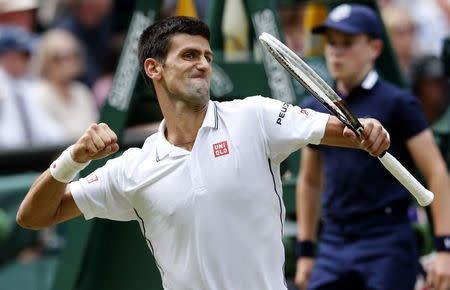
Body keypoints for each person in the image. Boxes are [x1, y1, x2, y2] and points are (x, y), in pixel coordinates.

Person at [16, 16, 390, 290]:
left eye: (208, 57)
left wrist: (368, 130)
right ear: (154, 68)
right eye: (190, 55)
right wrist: (72, 160)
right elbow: (33, 216)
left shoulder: (255, 116)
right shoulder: (133, 168)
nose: (204, 65)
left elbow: (340, 131)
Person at [294, 4, 450, 290]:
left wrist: (444, 249)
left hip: (387, 241)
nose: (336, 51)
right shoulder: (314, 109)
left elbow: (437, 173)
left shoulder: (399, 104)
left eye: (348, 43)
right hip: (334, 240)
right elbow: (310, 180)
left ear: (375, 48)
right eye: (331, 43)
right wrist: (305, 252)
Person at [32, 28, 98, 143]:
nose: (67, 62)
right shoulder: (37, 94)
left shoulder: (82, 92)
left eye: (73, 55)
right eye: (58, 58)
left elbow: (95, 128)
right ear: (45, 61)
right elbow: (51, 137)